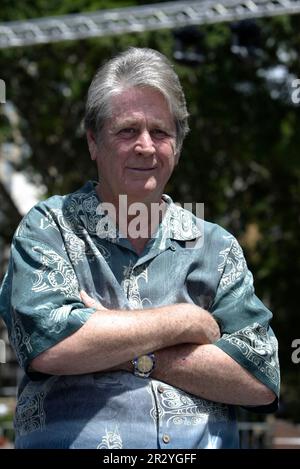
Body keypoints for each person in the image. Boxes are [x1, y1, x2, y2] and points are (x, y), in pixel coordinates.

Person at [0, 47, 279, 449]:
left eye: (160, 132)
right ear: (94, 141)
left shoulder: (216, 247)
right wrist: (184, 322)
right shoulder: (50, 228)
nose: (146, 146)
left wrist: (125, 349)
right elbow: (51, 344)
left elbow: (259, 377)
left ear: (178, 146)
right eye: (127, 131)